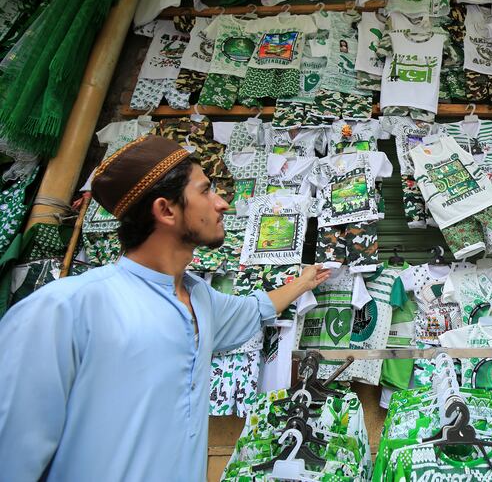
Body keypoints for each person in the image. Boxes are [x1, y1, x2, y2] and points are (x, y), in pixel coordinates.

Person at [0, 136, 330, 481]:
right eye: (205, 191)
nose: (222, 204)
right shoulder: (63, 310)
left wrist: (303, 283)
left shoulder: (201, 300)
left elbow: (254, 309)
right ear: (166, 210)